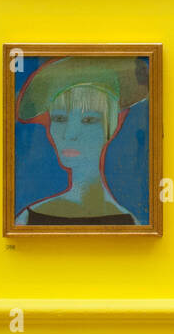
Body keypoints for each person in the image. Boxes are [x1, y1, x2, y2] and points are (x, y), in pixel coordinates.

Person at [14, 56, 147, 226]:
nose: (69, 134)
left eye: (89, 120)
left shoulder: (130, 223)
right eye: (60, 119)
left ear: (112, 127)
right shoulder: (27, 220)